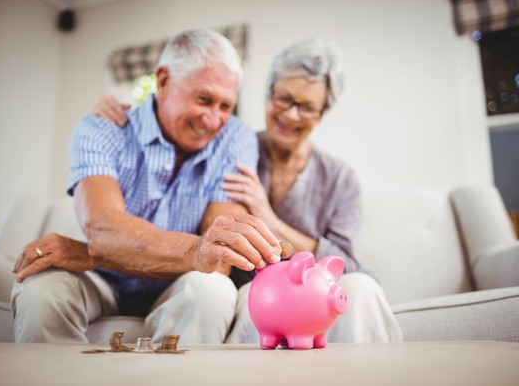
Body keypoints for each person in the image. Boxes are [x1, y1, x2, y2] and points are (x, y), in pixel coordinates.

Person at [95, 38, 403, 344]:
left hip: (319, 296)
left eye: (307, 107)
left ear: (322, 112)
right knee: (245, 301)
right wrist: (128, 116)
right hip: (255, 292)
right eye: (283, 98)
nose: (291, 115)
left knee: (362, 287)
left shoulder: (340, 179)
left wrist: (268, 217)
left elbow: (348, 266)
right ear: (268, 94)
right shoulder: (230, 148)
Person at [10, 29, 283, 344]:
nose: (212, 119)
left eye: (225, 106)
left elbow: (219, 258)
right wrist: (194, 249)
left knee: (213, 289)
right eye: (204, 99)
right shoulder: (101, 128)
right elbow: (104, 228)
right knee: (41, 288)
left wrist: (93, 253)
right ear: (164, 81)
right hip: (102, 282)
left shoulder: (236, 139)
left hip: (179, 284)